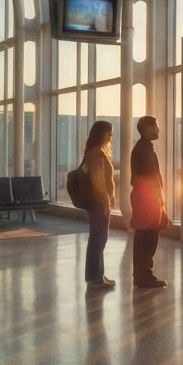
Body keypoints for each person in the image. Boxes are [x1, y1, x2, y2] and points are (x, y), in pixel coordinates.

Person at [130, 115, 168, 289]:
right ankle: (144, 275)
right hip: (148, 200)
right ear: (147, 128)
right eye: (156, 126)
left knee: (144, 237)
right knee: (148, 238)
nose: (158, 130)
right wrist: (155, 201)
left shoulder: (142, 148)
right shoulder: (144, 150)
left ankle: (141, 273)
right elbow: (144, 179)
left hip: (145, 199)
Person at [82, 120, 116, 288]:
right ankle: (95, 278)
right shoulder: (96, 154)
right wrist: (105, 202)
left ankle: (98, 276)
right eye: (109, 133)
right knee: (98, 239)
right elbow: (98, 182)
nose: (111, 136)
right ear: (101, 134)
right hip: (98, 203)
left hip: (100, 202)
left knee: (99, 239)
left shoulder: (97, 152)